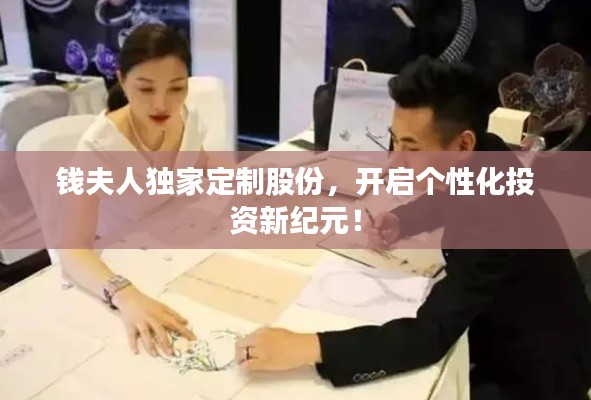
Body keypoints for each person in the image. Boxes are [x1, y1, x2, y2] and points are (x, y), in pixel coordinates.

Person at [235, 56, 591, 400]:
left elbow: (429, 336)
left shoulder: (495, 220)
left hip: (537, 372)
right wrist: (403, 220)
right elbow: (449, 193)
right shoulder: (488, 150)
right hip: (505, 325)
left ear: (463, 144)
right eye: (394, 141)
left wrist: (309, 346)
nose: (395, 162)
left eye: (412, 148)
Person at [56, 24, 215, 358]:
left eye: (177, 87)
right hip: (121, 269)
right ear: (122, 79)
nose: (162, 104)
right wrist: (125, 295)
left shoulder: (188, 117)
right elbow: (71, 249)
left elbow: (203, 179)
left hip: (176, 255)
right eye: (145, 89)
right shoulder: (98, 146)